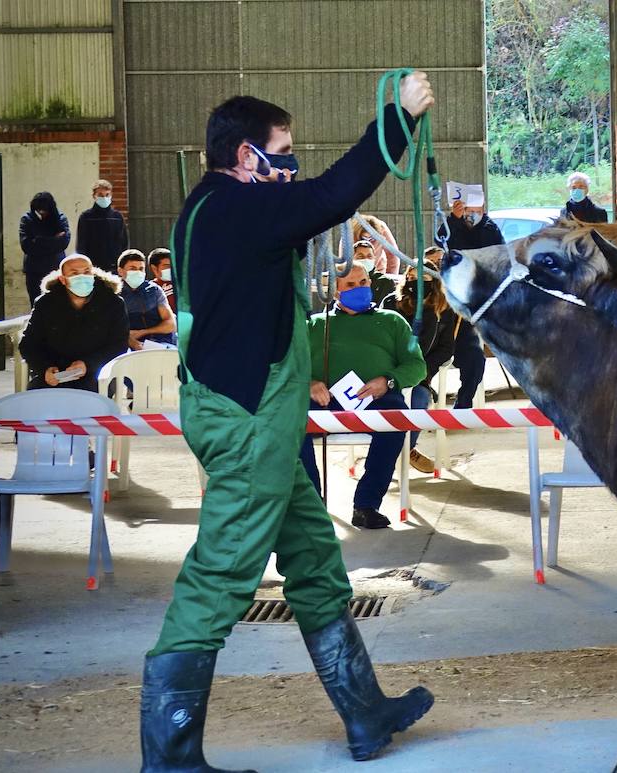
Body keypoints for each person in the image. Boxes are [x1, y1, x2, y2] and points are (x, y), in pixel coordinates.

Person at [145, 74, 437, 772]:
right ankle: (170, 756)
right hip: (248, 421)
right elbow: (334, 194)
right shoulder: (236, 208)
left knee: (311, 555)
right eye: (285, 153)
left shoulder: (211, 210)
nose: (292, 169)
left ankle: (365, 713)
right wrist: (397, 119)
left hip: (253, 418)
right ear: (248, 157)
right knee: (220, 576)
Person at [301, 261, 426, 528]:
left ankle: (366, 505)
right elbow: (289, 366)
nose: (359, 288)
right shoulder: (313, 325)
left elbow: (417, 365)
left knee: (395, 422)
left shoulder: (392, 321)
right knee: (290, 423)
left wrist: (388, 381)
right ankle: (311, 507)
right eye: (350, 285)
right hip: (324, 402)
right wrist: (309, 382)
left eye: (363, 282)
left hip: (379, 398)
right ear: (335, 292)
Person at [382, 248, 458, 473]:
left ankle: (407, 448)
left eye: (423, 278)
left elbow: (446, 349)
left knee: (419, 400)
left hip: (421, 372)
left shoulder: (444, 308)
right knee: (390, 403)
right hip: (389, 368)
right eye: (412, 277)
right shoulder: (391, 302)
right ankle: (395, 450)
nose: (416, 282)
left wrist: (425, 369)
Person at [18, 254, 128, 392]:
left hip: (97, 374)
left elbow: (118, 345)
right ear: (63, 279)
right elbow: (29, 345)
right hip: (54, 375)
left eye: (87, 272)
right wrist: (45, 368)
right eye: (74, 273)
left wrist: (87, 364)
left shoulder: (113, 303)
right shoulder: (45, 304)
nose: (82, 277)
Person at [437, 194, 499, 409]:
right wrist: (454, 219)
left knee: (474, 358)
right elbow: (441, 240)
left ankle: (464, 402)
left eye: (476, 210)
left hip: (470, 306)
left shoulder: (490, 228)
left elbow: (497, 252)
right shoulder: (452, 225)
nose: (471, 214)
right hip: (445, 311)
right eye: (467, 210)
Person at [116, 249, 177, 349]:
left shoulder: (154, 290)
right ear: (120, 271)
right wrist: (133, 343)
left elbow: (171, 324)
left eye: (141, 269)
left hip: (161, 343)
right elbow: (113, 328)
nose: (138, 272)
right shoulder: (115, 294)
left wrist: (142, 332)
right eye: (133, 268)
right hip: (128, 348)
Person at [19, 191, 71, 306]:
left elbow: (63, 243)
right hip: (34, 271)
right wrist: (52, 240)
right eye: (39, 211)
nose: (42, 214)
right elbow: (27, 246)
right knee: (37, 304)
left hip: (56, 270)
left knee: (58, 305)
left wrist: (38, 240)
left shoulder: (60, 219)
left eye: (45, 211)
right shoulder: (27, 220)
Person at [74, 179, 129, 273]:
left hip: (114, 267)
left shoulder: (117, 217)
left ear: (111, 195)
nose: (104, 198)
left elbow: (124, 242)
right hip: (92, 268)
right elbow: (81, 244)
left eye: (107, 195)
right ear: (94, 196)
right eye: (100, 195)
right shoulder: (86, 217)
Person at [350, 239, 397, 304]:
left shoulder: (385, 282)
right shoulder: (344, 280)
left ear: (374, 258)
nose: (366, 259)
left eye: (369, 256)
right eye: (361, 256)